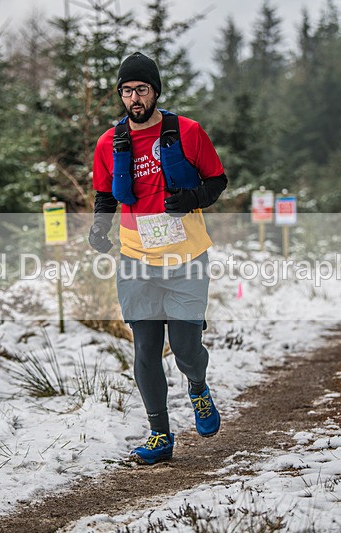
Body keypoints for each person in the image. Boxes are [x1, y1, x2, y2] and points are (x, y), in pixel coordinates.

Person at [88, 52, 228, 464]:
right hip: (136, 259)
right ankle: (159, 435)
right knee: (146, 352)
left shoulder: (188, 132)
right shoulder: (109, 143)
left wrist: (191, 198)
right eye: (127, 91)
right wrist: (99, 227)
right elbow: (104, 193)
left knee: (185, 349)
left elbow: (217, 180)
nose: (135, 98)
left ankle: (198, 388)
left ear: (156, 91)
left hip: (187, 257)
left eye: (142, 89)